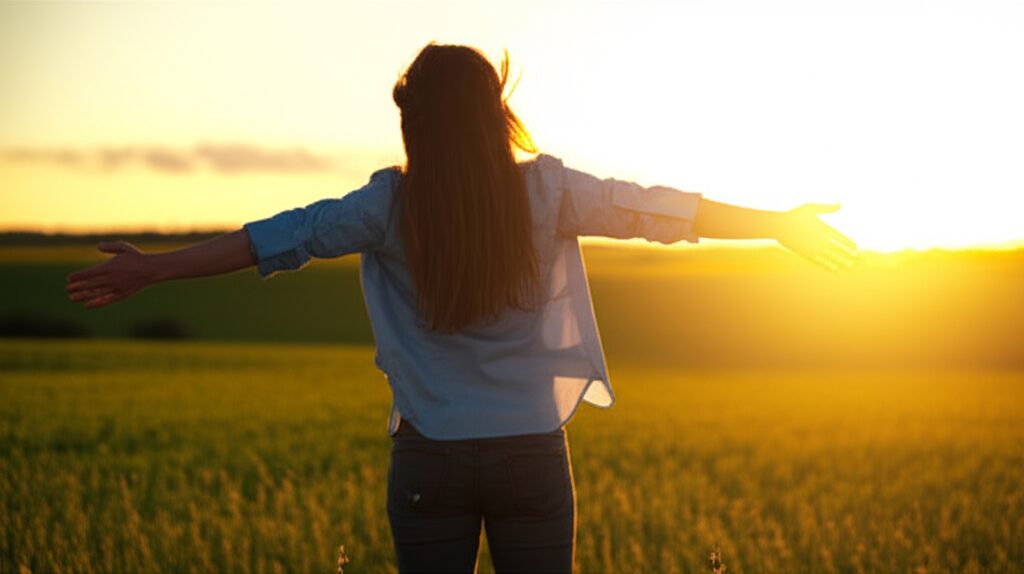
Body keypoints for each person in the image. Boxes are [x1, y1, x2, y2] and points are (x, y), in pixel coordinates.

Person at [65, 43, 855, 574]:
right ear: (495, 112)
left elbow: (276, 239)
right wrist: (775, 223)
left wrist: (155, 271)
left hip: (428, 458)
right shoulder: (549, 191)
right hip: (532, 457)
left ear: (413, 121)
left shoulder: (387, 206)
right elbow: (658, 211)